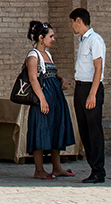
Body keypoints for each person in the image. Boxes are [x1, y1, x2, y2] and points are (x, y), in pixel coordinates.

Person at [21, 21, 76, 179]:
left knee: (55, 129)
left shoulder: (48, 55)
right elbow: (33, 79)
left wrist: (62, 79)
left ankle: (57, 167)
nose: (53, 39)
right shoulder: (33, 56)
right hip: (43, 100)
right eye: (51, 36)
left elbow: (51, 73)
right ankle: (39, 170)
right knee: (40, 130)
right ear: (40, 37)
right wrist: (43, 100)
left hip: (55, 98)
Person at [69, 8, 108, 183]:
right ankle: (93, 167)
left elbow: (98, 68)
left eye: (72, 22)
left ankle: (99, 170)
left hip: (91, 88)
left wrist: (92, 94)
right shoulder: (82, 41)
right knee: (84, 130)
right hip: (80, 87)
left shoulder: (95, 40)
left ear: (78, 20)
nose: (71, 26)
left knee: (94, 130)